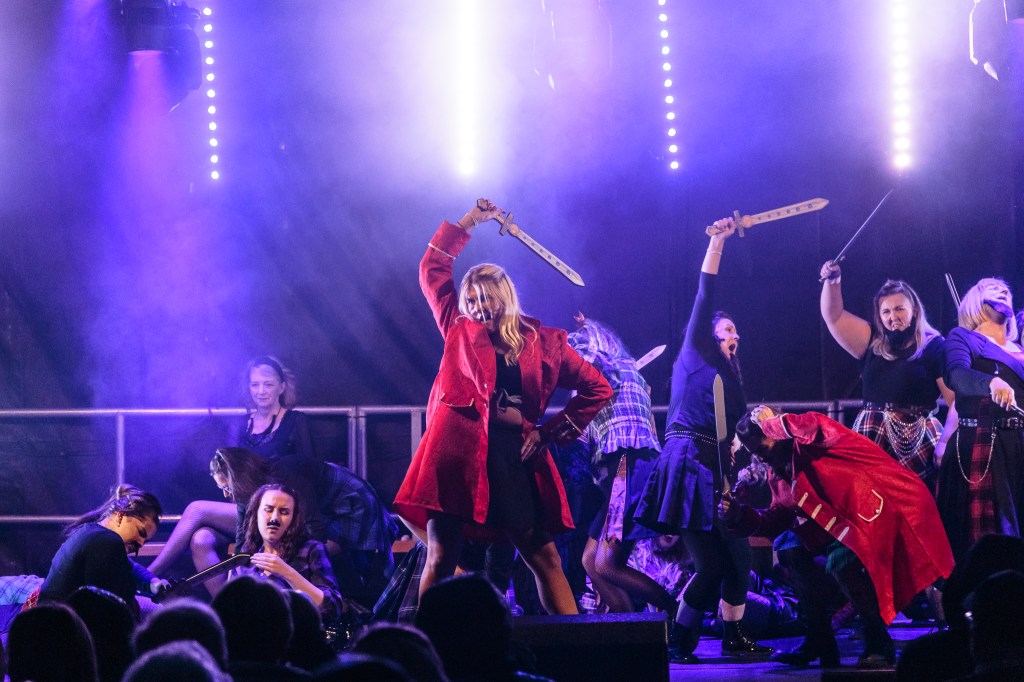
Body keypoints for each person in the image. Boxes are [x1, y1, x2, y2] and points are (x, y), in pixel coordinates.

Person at [393, 199, 613, 615]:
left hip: (514, 457)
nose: (477, 307)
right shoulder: (457, 329)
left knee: (544, 558)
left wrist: (548, 433)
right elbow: (431, 270)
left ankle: (574, 655)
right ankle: (429, 652)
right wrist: (469, 222)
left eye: (484, 298)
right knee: (440, 557)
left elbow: (598, 388)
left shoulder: (546, 343)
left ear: (504, 296)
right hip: (456, 456)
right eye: (470, 299)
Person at [633, 216, 771, 662]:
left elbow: (736, 431)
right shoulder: (694, 352)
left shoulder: (733, 382)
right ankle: (680, 640)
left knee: (739, 562)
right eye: (728, 330)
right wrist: (717, 243)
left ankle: (732, 637)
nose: (736, 336)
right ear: (710, 334)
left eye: (735, 331)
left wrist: (766, 426)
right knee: (710, 566)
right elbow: (705, 293)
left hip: (718, 467)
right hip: (688, 461)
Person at [726, 406, 956, 667]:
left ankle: (879, 643)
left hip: (881, 506)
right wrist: (738, 515)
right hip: (841, 523)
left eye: (763, 449)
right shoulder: (776, 470)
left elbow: (814, 426)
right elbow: (780, 517)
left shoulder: (812, 436)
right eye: (755, 454)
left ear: (777, 432)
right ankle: (819, 641)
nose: (762, 459)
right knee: (789, 546)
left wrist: (772, 423)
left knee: (843, 562)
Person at [566, 316, 674, 615]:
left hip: (629, 465)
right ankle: (629, 627)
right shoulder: (625, 373)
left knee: (606, 564)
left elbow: (582, 356)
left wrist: (578, 334)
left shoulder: (608, 367)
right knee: (591, 560)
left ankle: (675, 614)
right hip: (624, 470)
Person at [819, 264, 956, 489]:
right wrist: (833, 282)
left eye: (900, 309)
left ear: (914, 311)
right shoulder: (871, 340)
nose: (893, 317)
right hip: (872, 434)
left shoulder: (934, 346)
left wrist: (945, 442)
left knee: (920, 507)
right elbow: (833, 316)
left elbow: (955, 401)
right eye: (886, 312)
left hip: (918, 438)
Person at [937, 278, 1024, 563]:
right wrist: (991, 382)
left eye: (1005, 290)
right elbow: (957, 376)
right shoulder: (963, 337)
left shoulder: (1019, 348)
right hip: (986, 446)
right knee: (991, 546)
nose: (1001, 291)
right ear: (975, 301)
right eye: (991, 288)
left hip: (1019, 447)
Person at [37, 485, 165, 619]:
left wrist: (155, 584)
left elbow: (131, 568)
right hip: (63, 629)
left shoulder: (91, 531)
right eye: (141, 532)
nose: (140, 543)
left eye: (145, 541)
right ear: (121, 515)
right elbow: (115, 605)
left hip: (52, 621)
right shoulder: (107, 541)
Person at [229, 483, 343, 624]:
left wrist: (286, 572)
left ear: (293, 519)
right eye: (268, 510)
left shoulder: (311, 550)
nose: (274, 519)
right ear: (256, 514)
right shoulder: (244, 560)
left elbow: (332, 608)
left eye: (284, 512)